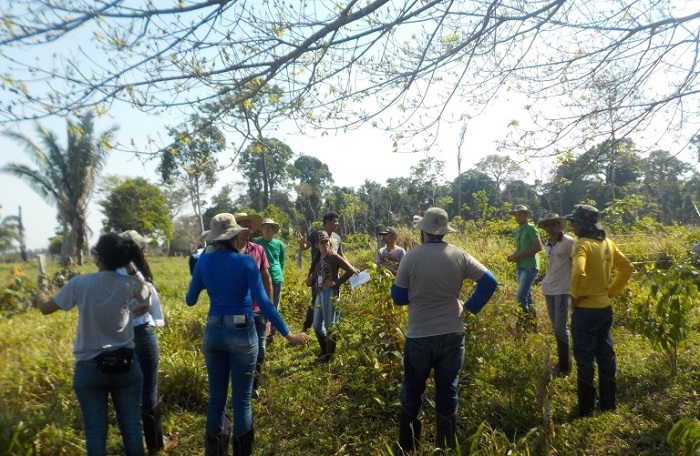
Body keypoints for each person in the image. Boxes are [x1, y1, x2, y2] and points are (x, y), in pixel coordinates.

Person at [186, 213, 308, 456]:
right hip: (242, 331)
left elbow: (190, 300)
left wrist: (206, 278)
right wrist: (288, 334)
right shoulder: (245, 262)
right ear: (232, 234)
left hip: (213, 331)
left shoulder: (204, 262)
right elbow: (263, 301)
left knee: (216, 400)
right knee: (241, 400)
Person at [391, 207, 498, 451]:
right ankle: (446, 446)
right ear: (444, 231)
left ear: (424, 231)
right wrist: (469, 307)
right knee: (448, 388)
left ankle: (409, 447)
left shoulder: (411, 257)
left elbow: (398, 298)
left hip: (419, 334)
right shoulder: (459, 255)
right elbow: (489, 282)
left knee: (413, 388)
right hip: (452, 331)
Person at [36, 233, 151, 456]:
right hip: (126, 365)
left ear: (97, 257)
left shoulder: (80, 283)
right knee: (132, 429)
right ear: (123, 258)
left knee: (95, 432)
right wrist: (129, 265)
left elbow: (46, 308)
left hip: (89, 368)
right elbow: (147, 292)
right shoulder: (129, 284)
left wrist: (41, 294)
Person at [566, 205, 633, 417]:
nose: (573, 225)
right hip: (605, 308)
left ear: (582, 224)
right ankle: (608, 403)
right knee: (606, 353)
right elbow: (627, 268)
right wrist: (611, 292)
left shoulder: (582, 245)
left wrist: (575, 297)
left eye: (574, 222)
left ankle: (586, 409)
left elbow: (578, 270)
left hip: (585, 310)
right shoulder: (607, 243)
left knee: (584, 357)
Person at [117, 230, 169, 454]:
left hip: (118, 337)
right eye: (143, 248)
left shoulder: (109, 274)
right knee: (149, 388)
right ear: (137, 250)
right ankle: (156, 442)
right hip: (141, 333)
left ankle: (135, 442)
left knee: (128, 392)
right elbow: (149, 298)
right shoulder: (135, 274)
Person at [297, 212, 357, 332]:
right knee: (316, 301)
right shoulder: (316, 234)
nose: (337, 224)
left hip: (333, 276)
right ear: (327, 222)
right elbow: (305, 247)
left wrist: (351, 267)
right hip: (318, 275)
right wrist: (302, 244)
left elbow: (341, 255)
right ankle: (307, 327)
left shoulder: (337, 237)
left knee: (334, 301)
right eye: (335, 221)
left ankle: (332, 327)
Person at [232, 212, 270, 400]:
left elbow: (266, 279)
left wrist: (269, 310)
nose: (247, 229)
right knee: (241, 349)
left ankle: (254, 385)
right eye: (242, 225)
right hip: (237, 313)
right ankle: (242, 387)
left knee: (260, 348)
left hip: (258, 310)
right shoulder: (227, 253)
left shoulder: (258, 250)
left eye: (249, 225)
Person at [305, 230, 356, 362]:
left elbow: (349, 270)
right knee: (316, 325)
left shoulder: (333, 256)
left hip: (330, 293)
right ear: (317, 244)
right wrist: (311, 281)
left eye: (326, 241)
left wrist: (335, 283)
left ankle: (329, 356)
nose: (325, 244)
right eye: (322, 242)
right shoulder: (318, 259)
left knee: (329, 325)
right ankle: (325, 352)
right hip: (319, 293)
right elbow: (316, 276)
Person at [537, 214, 575, 377]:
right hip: (549, 288)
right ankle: (563, 362)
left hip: (563, 289)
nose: (550, 227)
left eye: (553, 224)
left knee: (561, 328)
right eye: (547, 225)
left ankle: (564, 366)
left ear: (560, 225)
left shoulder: (569, 242)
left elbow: (577, 265)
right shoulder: (548, 244)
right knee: (556, 327)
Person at [507, 204, 543, 330]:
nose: (518, 217)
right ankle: (533, 326)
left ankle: (522, 324)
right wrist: (512, 256)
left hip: (530, 267)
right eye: (516, 215)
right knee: (528, 296)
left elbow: (538, 247)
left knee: (521, 296)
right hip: (520, 267)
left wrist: (519, 256)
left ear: (526, 215)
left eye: (521, 214)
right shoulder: (517, 231)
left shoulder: (531, 228)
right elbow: (519, 249)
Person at [254, 218, 286, 343]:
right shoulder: (257, 244)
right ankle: (262, 332)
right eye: (265, 228)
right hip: (261, 278)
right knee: (260, 305)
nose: (267, 230)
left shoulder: (279, 244)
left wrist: (278, 273)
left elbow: (281, 261)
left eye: (269, 228)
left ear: (273, 230)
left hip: (276, 278)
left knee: (274, 306)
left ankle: (272, 334)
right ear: (262, 230)